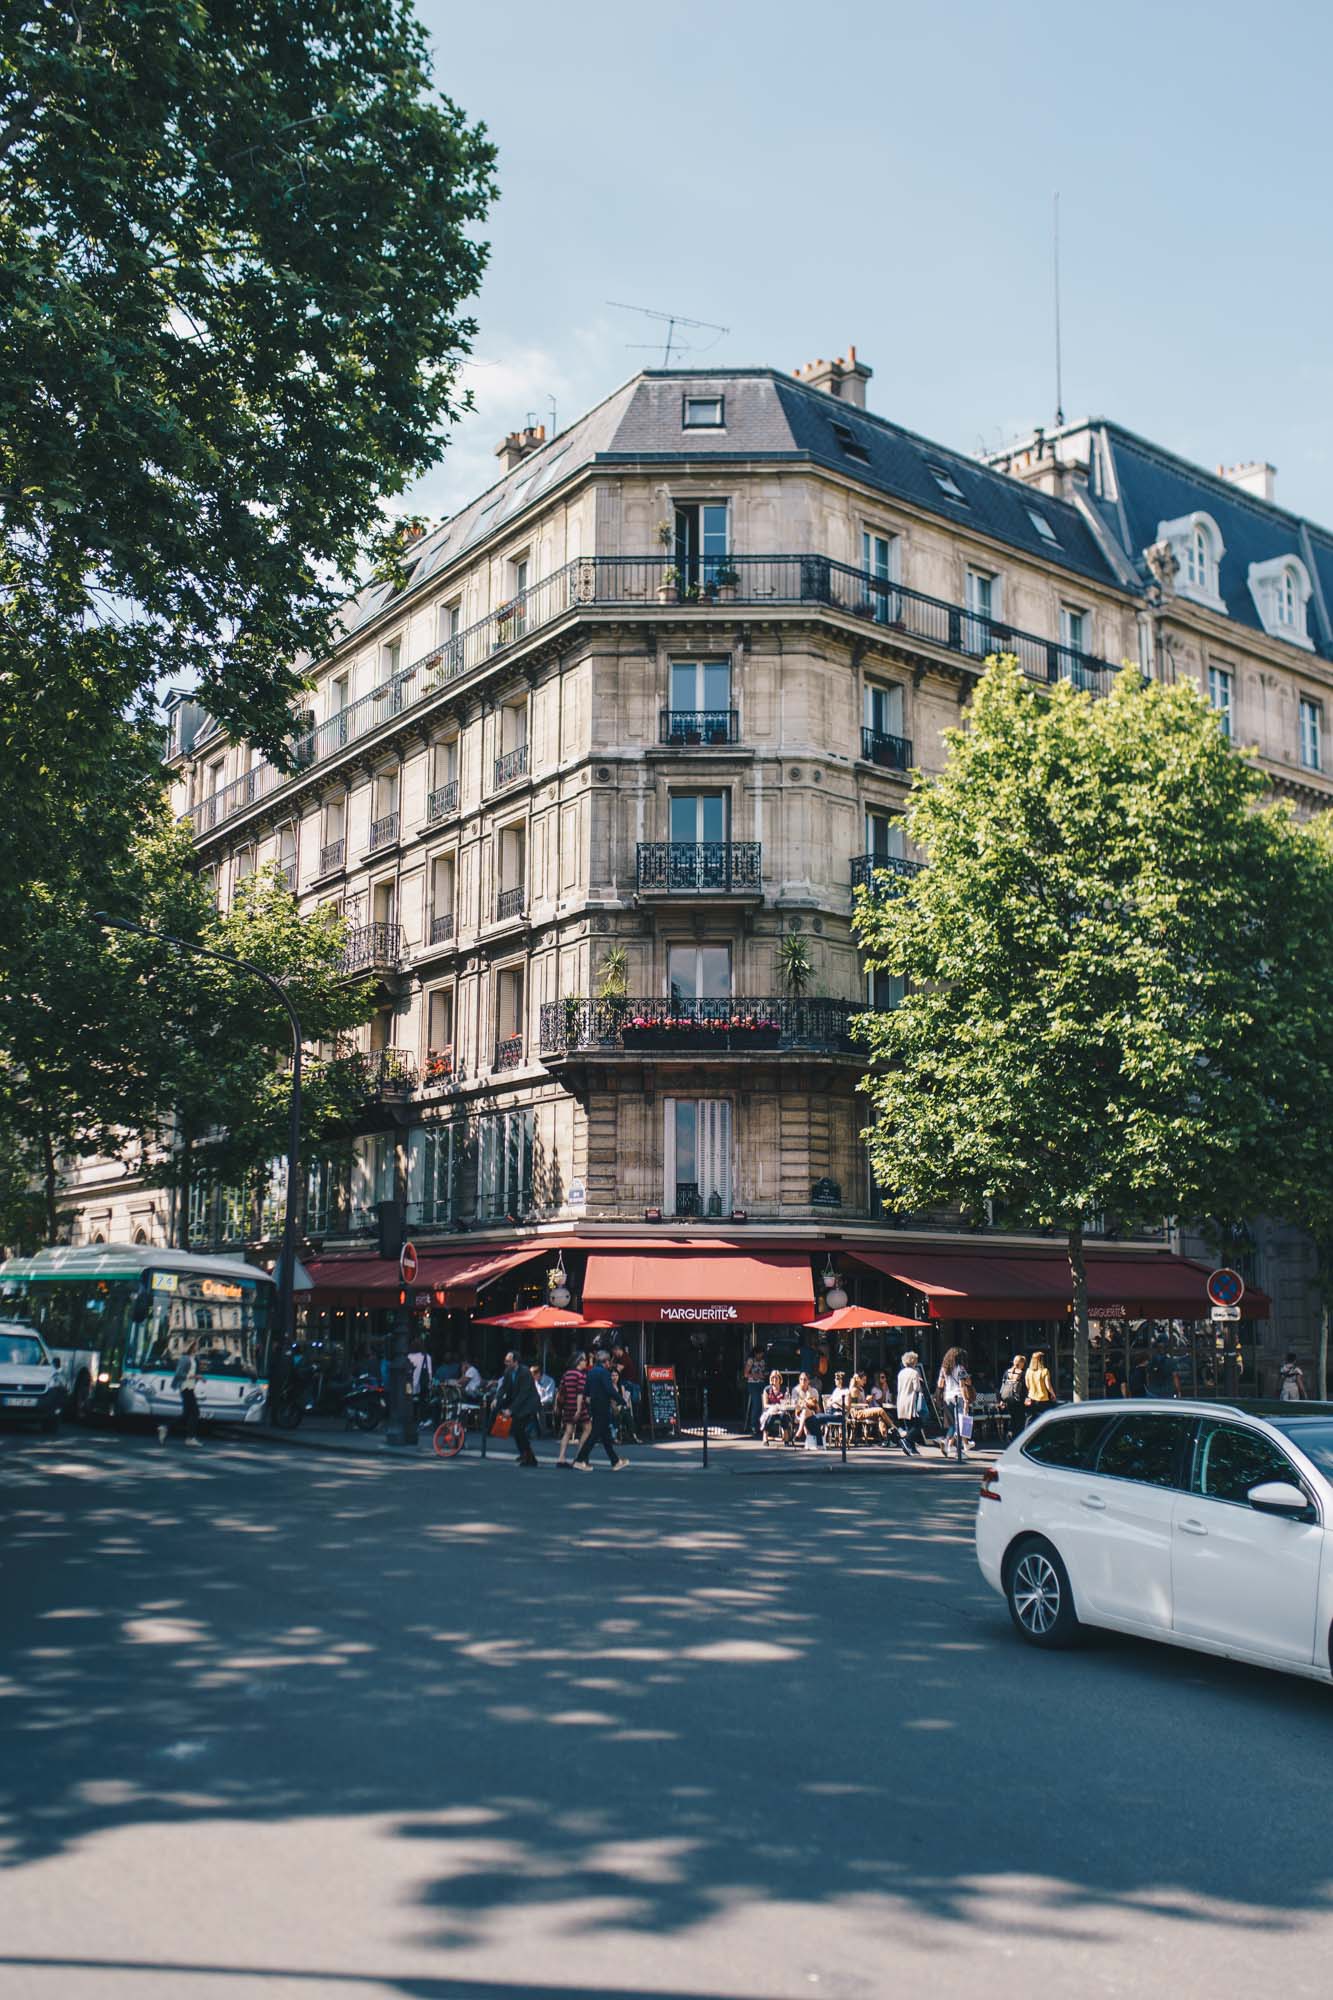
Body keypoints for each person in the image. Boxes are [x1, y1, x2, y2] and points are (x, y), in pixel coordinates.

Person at [575, 1350, 627, 1470]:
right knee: (595, 1434)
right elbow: (609, 1390)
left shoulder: (591, 1371)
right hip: (602, 1404)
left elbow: (586, 1390)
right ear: (606, 1362)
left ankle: (615, 1461)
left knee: (605, 1435)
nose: (610, 1364)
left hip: (594, 1404)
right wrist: (622, 1400)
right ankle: (580, 1459)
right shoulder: (604, 1373)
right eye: (609, 1362)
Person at [496, 1350, 541, 1466]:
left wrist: (511, 1410)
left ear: (515, 1362)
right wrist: (497, 1398)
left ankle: (529, 1458)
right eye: (505, 1361)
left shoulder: (525, 1372)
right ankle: (525, 1454)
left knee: (519, 1429)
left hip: (528, 1404)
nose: (506, 1363)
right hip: (518, 1404)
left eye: (508, 1361)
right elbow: (503, 1387)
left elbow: (523, 1394)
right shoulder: (508, 1371)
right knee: (517, 1430)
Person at [159, 1339, 202, 1447]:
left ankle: (166, 1427)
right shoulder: (185, 1358)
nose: (198, 1347)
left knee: (187, 1414)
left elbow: (193, 1372)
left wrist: (198, 1377)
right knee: (195, 1412)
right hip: (185, 1387)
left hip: (190, 1387)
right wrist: (193, 1376)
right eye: (196, 1345)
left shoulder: (194, 1358)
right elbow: (178, 1374)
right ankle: (190, 1438)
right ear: (191, 1346)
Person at [937, 1347, 973, 1461]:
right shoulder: (960, 1368)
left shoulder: (944, 1369)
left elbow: (940, 1384)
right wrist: (966, 1400)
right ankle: (958, 1451)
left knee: (953, 1424)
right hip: (959, 1397)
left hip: (948, 1397)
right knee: (961, 1423)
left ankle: (946, 1442)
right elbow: (962, 1386)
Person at [555, 1350, 590, 1468]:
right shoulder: (581, 1375)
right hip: (578, 1406)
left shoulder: (567, 1374)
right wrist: (579, 1409)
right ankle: (578, 1457)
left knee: (568, 1431)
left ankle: (561, 1457)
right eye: (584, 1360)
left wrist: (557, 1406)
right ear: (579, 1362)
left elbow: (560, 1391)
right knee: (587, 1428)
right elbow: (580, 1393)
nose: (586, 1362)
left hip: (567, 1405)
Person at [896, 1351, 928, 1457]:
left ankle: (911, 1448)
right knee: (918, 1424)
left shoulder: (901, 1373)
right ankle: (906, 1440)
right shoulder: (914, 1373)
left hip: (901, 1401)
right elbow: (917, 1388)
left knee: (909, 1425)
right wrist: (920, 1381)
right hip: (911, 1402)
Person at [997, 1353, 1028, 1438]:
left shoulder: (1007, 1372)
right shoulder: (1023, 1373)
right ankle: (1019, 1438)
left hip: (1008, 1399)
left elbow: (1002, 1387)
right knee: (1020, 1420)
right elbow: (1026, 1388)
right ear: (1021, 1363)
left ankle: (1011, 1435)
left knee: (1012, 1418)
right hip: (1019, 1400)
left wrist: (1001, 1400)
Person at [791, 1372, 824, 1449]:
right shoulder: (795, 1390)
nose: (802, 1381)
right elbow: (794, 1403)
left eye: (805, 1379)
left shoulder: (814, 1391)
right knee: (805, 1412)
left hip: (812, 1413)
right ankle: (806, 1437)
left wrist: (805, 1402)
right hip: (798, 1413)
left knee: (805, 1412)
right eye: (801, 1379)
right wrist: (806, 1402)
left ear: (808, 1381)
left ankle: (799, 1432)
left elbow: (816, 1406)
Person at [1025, 1348, 1056, 1422]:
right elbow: (1048, 1386)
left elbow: (1027, 1385)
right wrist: (1053, 1394)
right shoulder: (1044, 1371)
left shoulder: (1028, 1371)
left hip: (1031, 1398)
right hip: (1043, 1398)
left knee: (1030, 1419)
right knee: (1045, 1419)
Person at [742, 1348, 767, 1437]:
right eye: (759, 1354)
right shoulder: (750, 1360)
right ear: (756, 1353)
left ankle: (762, 1425)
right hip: (753, 1384)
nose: (761, 1356)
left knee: (763, 1405)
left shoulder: (763, 1361)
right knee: (756, 1404)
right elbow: (745, 1374)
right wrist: (756, 1376)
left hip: (762, 1383)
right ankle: (753, 1425)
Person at [760, 1369, 788, 1444]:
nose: (774, 1379)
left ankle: (786, 1437)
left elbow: (786, 1402)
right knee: (771, 1416)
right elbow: (765, 1404)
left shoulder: (784, 1389)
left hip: (781, 1409)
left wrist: (779, 1407)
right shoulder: (767, 1389)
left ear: (780, 1379)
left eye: (776, 1377)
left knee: (784, 1416)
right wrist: (774, 1407)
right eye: (772, 1377)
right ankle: (765, 1437)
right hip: (770, 1410)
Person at [531, 1359, 557, 1433]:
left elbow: (550, 1397)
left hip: (547, 1403)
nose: (532, 1378)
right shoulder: (534, 1381)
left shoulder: (549, 1381)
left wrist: (540, 1401)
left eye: (533, 1376)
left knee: (539, 1407)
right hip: (536, 1402)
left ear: (538, 1374)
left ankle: (543, 1431)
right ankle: (531, 1430)